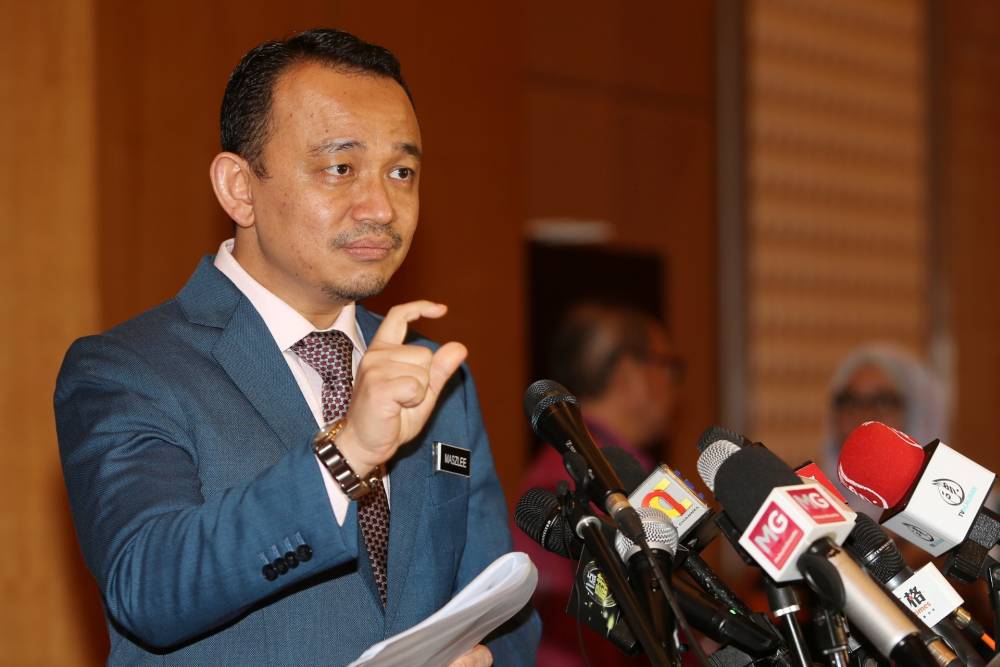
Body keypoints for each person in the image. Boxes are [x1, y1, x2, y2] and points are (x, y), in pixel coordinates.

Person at [55, 29, 539, 666]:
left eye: (402, 171)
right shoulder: (129, 369)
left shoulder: (433, 376)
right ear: (238, 187)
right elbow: (149, 588)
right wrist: (349, 453)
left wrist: (487, 658)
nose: (381, 207)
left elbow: (502, 610)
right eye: (340, 168)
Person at [512, 302, 682, 666]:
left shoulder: (551, 466)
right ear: (627, 373)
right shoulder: (611, 480)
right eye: (668, 365)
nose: (674, 384)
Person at [820, 342, 949, 517]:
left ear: (919, 414)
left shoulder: (960, 506)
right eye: (851, 401)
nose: (863, 416)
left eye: (882, 402)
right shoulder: (814, 504)